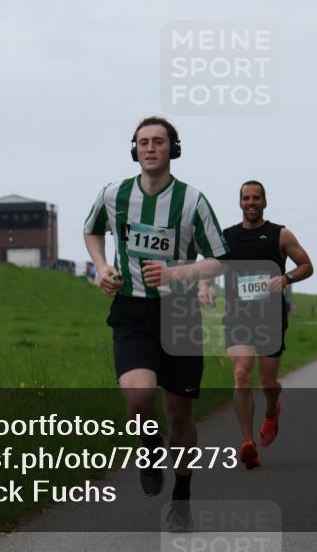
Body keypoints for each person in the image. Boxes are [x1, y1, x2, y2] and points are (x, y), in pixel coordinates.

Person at [83, 116, 228, 526]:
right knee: (139, 398)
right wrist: (101, 266)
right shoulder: (114, 194)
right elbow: (92, 230)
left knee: (180, 415)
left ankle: (181, 496)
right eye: (143, 142)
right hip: (132, 309)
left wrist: (178, 274)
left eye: (158, 142)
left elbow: (222, 257)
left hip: (180, 313)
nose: (150, 148)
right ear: (135, 149)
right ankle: (149, 449)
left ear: (172, 149)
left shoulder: (192, 200)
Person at [199, 181, 313, 469]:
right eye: (246, 198)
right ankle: (247, 442)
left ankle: (272, 410)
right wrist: (205, 287)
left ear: (265, 202)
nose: (251, 202)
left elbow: (307, 265)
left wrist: (286, 278)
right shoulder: (227, 237)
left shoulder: (280, 234)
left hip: (270, 317)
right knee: (241, 374)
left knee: (268, 382)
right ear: (239, 203)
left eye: (256, 198)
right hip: (238, 315)